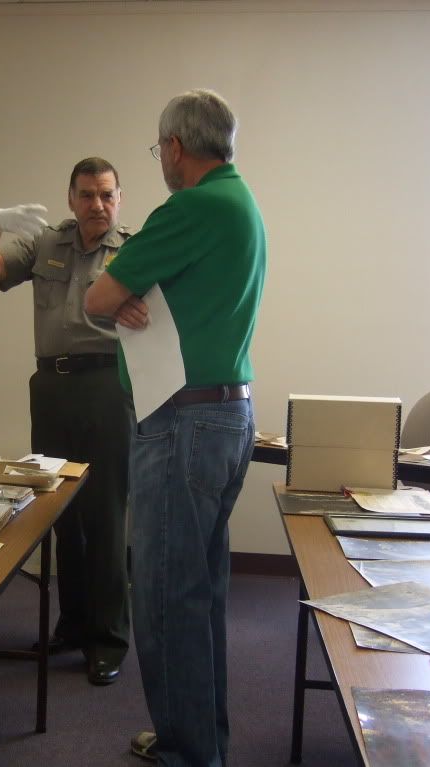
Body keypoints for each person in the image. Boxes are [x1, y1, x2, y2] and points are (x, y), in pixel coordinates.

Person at [84, 89, 267, 765]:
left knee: (164, 600)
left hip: (181, 423)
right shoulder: (240, 200)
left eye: (158, 148)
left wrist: (123, 291)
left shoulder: (191, 204)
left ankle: (189, 754)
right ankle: (198, 740)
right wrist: (130, 289)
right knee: (197, 592)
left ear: (174, 147)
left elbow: (98, 295)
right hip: (224, 418)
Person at [0, 157, 132, 686]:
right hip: (52, 386)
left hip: (108, 386)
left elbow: (165, 314)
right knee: (61, 509)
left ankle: (107, 638)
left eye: (106, 195)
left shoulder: (132, 250)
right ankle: (73, 623)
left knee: (106, 516)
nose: (97, 206)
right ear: (71, 199)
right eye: (87, 195)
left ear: (118, 198)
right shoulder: (46, 244)